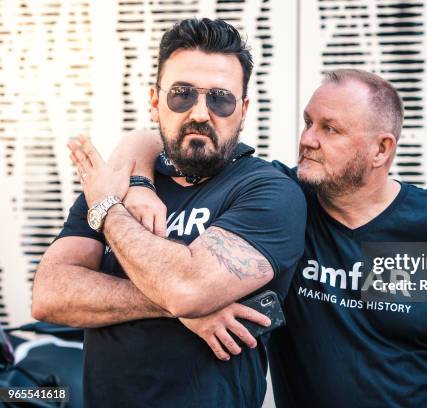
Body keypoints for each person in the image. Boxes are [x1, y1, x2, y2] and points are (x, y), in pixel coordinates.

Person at [100, 68, 427, 407]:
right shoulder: (284, 206)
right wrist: (138, 183)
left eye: (330, 129)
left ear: (381, 150)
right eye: (308, 122)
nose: (307, 140)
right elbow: (151, 137)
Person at [31, 18, 306, 408]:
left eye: (220, 99)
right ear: (154, 101)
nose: (199, 112)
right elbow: (49, 295)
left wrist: (108, 210)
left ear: (243, 110)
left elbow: (187, 289)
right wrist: (180, 309)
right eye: (181, 94)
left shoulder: (268, 192)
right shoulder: (123, 177)